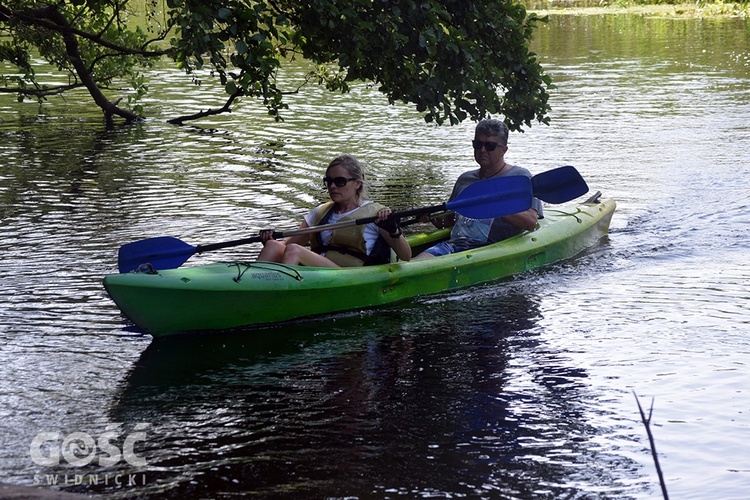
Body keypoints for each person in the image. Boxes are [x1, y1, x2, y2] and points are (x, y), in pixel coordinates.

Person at [415, 119, 543, 259]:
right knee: (416, 261)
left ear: (504, 150)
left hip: (493, 249)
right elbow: (450, 222)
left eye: (490, 146)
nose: (482, 150)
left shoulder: (520, 177)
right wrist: (432, 218)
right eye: (478, 144)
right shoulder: (465, 179)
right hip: (455, 245)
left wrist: (494, 203)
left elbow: (531, 222)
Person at [257, 154, 412, 266]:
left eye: (339, 181)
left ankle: (280, 296)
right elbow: (284, 245)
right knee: (273, 246)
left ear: (357, 183)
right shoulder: (320, 212)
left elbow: (406, 256)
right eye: (329, 181)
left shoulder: (376, 214)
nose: (332, 186)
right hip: (318, 269)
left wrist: (393, 230)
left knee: (294, 251)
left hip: (348, 275)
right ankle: (250, 285)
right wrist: (268, 239)